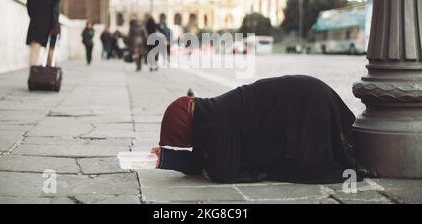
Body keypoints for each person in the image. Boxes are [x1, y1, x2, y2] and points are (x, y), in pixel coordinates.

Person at [151, 75, 376, 184]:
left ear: (184, 130)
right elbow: (206, 159)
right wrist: (168, 159)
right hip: (309, 92)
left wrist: (207, 170)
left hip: (307, 103)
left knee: (313, 166)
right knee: (331, 152)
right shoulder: (208, 113)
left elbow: (222, 172)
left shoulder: (213, 124)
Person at [26, 0, 60, 67]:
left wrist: (36, 19)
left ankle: (34, 75)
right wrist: (55, 26)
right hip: (50, 26)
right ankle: (50, 77)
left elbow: (29, 10)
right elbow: (55, 10)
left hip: (35, 26)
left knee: (34, 54)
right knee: (51, 53)